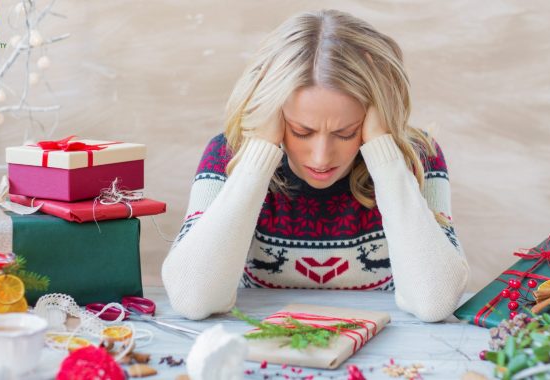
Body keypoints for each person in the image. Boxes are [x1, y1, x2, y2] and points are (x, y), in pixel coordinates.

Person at [162, 9, 469, 322]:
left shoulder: (418, 158)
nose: (321, 157)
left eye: (346, 133)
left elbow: (435, 301)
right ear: (275, 114)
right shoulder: (227, 155)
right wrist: (258, 154)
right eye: (301, 132)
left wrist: (383, 151)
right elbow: (192, 298)